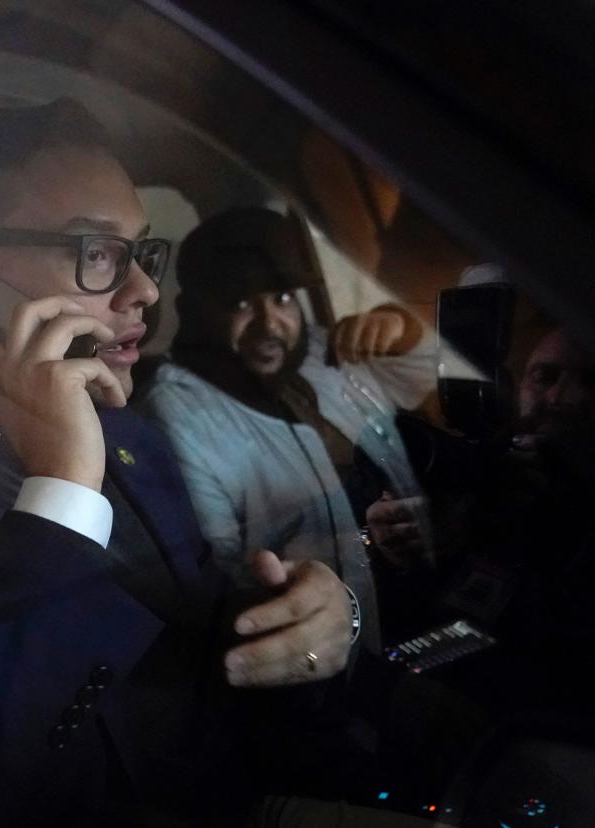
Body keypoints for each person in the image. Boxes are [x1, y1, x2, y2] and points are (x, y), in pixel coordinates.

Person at [0, 100, 395, 826]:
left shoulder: (133, 438)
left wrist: (323, 626)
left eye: (142, 253)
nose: (143, 291)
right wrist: (63, 489)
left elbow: (201, 655)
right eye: (97, 254)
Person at [138, 208, 425, 652]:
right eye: (240, 303)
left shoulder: (316, 348)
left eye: (282, 298)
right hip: (333, 655)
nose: (270, 323)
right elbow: (223, 580)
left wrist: (401, 328)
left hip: (420, 599)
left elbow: (421, 377)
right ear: (194, 312)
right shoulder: (181, 416)